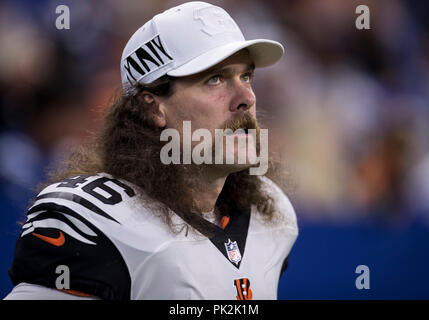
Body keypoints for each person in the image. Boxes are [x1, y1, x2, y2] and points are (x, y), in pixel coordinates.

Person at [4, 1, 298, 300]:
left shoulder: (271, 212)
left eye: (246, 76)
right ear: (154, 107)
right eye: (215, 79)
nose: (246, 97)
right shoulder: (95, 221)